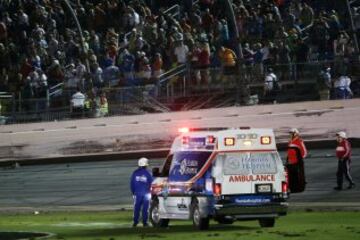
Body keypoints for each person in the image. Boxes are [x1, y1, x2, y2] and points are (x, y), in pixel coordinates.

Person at [130, 157, 153, 227]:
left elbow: (132, 184)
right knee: (145, 208)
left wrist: (133, 192)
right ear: (145, 165)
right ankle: (145, 222)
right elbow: (151, 183)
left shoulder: (135, 173)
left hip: (137, 194)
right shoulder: (148, 173)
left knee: (136, 208)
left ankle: (135, 222)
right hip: (146, 194)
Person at [287, 128, 307, 193]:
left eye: (291, 133)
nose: (290, 135)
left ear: (295, 134)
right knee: (291, 177)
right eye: (290, 133)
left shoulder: (299, 141)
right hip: (290, 163)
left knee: (297, 177)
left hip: (297, 163)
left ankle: (298, 189)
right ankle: (292, 189)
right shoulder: (290, 141)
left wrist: (299, 160)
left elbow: (304, 153)